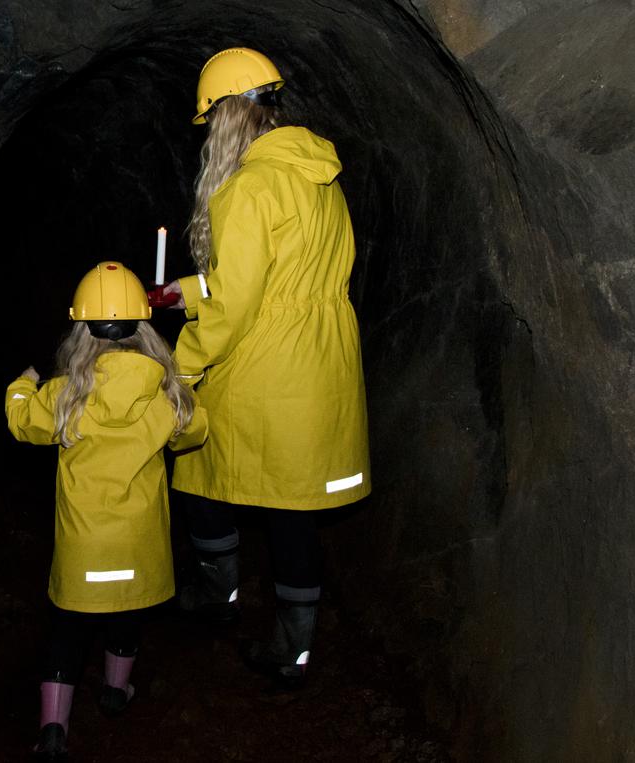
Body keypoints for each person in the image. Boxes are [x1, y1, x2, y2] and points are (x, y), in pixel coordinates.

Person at [161, 47, 371, 689]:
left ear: (226, 115)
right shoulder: (319, 174)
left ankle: (219, 597)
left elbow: (237, 306)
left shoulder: (248, 187)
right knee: (294, 508)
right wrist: (187, 292)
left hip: (265, 362)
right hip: (319, 361)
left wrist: (181, 369)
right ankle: (295, 645)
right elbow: (281, 279)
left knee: (195, 472)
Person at [6, 261, 208, 760]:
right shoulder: (165, 397)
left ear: (82, 330)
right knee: (125, 618)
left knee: (66, 637)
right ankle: (117, 692)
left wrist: (22, 383)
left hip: (84, 548)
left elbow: (20, 424)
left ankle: (54, 728)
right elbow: (198, 432)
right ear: (143, 326)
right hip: (137, 545)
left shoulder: (65, 395)